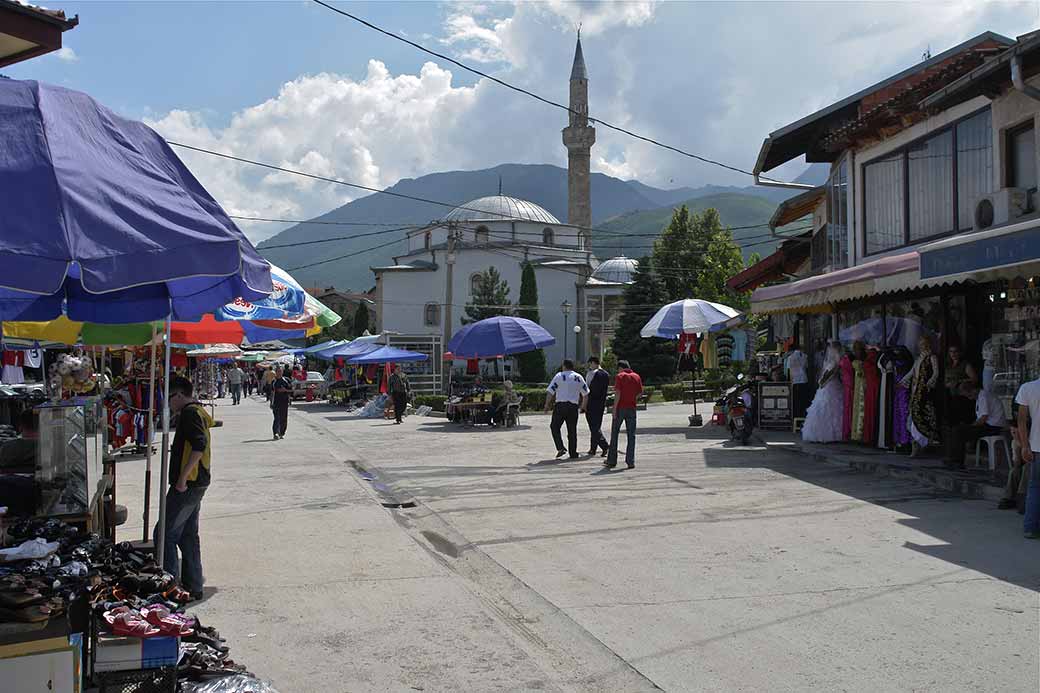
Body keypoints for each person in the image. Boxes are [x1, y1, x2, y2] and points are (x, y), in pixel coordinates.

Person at [154, 376, 213, 601]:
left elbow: (199, 445)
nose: (168, 403)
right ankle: (193, 585)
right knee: (187, 535)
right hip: (197, 483)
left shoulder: (189, 413)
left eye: (169, 398)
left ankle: (171, 589)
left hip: (188, 485)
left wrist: (182, 478)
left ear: (178, 395)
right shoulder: (196, 412)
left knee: (164, 534)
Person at [944, 382, 1006, 469]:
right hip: (989, 425)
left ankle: (957, 461)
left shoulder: (983, 396)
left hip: (993, 427)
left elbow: (983, 418)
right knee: (956, 429)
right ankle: (952, 458)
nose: (968, 398)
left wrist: (972, 426)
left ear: (972, 390)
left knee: (959, 431)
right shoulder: (980, 397)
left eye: (968, 395)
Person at [902, 336, 939, 457]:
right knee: (914, 415)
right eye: (920, 344)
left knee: (922, 414)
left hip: (925, 392)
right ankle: (916, 444)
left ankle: (925, 443)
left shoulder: (932, 357)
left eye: (923, 344)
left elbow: (936, 372)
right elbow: (913, 372)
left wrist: (930, 382)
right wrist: (903, 380)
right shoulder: (919, 358)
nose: (921, 346)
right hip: (916, 390)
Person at [544, 360, 589, 459]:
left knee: (554, 426)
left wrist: (547, 405)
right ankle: (573, 453)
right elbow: (585, 394)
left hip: (560, 406)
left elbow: (551, 392)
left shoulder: (559, 376)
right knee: (572, 430)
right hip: (573, 407)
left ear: (564, 366)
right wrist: (583, 406)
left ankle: (560, 447)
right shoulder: (578, 377)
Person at [802, 341, 845, 443]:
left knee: (827, 407)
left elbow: (828, 372)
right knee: (832, 408)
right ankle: (831, 434)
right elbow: (830, 372)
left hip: (829, 385)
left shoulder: (831, 361)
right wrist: (823, 381)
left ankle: (822, 433)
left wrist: (822, 381)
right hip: (830, 385)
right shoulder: (836, 360)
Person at [1014, 376, 1040, 539]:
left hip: (1036, 445)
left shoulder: (1027, 388)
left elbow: (1021, 420)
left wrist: (1024, 445)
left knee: (1035, 486)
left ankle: (1031, 527)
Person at [605, 360, 642, 470]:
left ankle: (612, 460)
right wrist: (633, 398)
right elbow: (640, 392)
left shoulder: (620, 376)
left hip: (621, 408)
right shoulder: (637, 376)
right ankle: (630, 461)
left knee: (615, 433)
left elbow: (618, 393)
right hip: (632, 408)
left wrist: (614, 409)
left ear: (621, 368)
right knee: (631, 435)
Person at [999, 419, 1030, 512]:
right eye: (1013, 432)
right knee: (1014, 471)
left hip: (1032, 467)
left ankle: (1022, 496)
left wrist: (1023, 445)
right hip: (1024, 467)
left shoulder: (1033, 441)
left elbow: (1029, 460)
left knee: (1026, 468)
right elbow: (1016, 464)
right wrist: (1018, 446)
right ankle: (1009, 498)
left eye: (1017, 432)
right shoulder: (1014, 442)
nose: (1015, 435)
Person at [945, 345, 979, 426]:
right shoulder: (947, 365)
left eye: (955, 351)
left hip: (961, 394)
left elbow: (974, 379)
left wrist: (958, 381)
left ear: (959, 353)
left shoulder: (965, 364)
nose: (953, 354)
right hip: (949, 393)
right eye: (951, 352)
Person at [584, 357, 610, 456]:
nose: (589, 366)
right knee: (597, 426)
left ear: (593, 363)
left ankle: (605, 445)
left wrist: (583, 404)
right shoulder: (606, 374)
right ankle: (593, 448)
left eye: (590, 364)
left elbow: (586, 390)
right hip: (601, 403)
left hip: (591, 403)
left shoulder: (591, 374)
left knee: (593, 427)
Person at [786, 344, 809, 419]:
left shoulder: (790, 357)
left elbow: (789, 371)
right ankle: (803, 416)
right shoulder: (805, 356)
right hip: (803, 380)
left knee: (795, 400)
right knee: (803, 399)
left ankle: (795, 416)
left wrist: (790, 382)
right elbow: (806, 367)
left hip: (794, 381)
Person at [270, 366, 292, 440]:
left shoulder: (287, 380)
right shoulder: (274, 381)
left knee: (283, 418)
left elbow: (291, 390)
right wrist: (271, 402)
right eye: (278, 371)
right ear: (275, 373)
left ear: (282, 372)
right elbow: (272, 392)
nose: (279, 373)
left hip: (284, 402)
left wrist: (285, 390)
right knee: (277, 418)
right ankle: (275, 433)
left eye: (280, 371)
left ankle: (282, 433)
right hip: (276, 402)